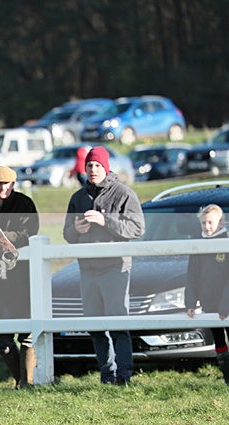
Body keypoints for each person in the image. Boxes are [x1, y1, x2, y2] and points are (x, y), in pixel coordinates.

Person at [62, 146, 145, 385]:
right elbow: (67, 233)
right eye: (89, 166)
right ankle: (106, 374)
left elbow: (137, 228)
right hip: (87, 270)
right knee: (95, 326)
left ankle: (124, 374)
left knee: (118, 325)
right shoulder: (78, 197)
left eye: (97, 165)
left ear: (106, 167)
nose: (93, 170)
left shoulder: (124, 193)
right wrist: (75, 230)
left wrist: (105, 220)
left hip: (115, 268)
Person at [0, 166, 40, 388]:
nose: (2, 188)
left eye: (6, 184)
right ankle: (19, 379)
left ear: (13, 184)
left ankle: (28, 381)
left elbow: (28, 232)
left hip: (23, 276)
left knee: (26, 331)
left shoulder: (25, 204)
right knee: (2, 337)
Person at [186, 204, 229, 384]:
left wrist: (225, 305)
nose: (207, 227)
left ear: (221, 223)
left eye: (211, 222)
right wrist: (190, 302)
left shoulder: (228, 242)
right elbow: (192, 276)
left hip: (228, 302)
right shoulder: (198, 245)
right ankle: (228, 377)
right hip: (208, 301)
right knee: (218, 337)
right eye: (203, 223)